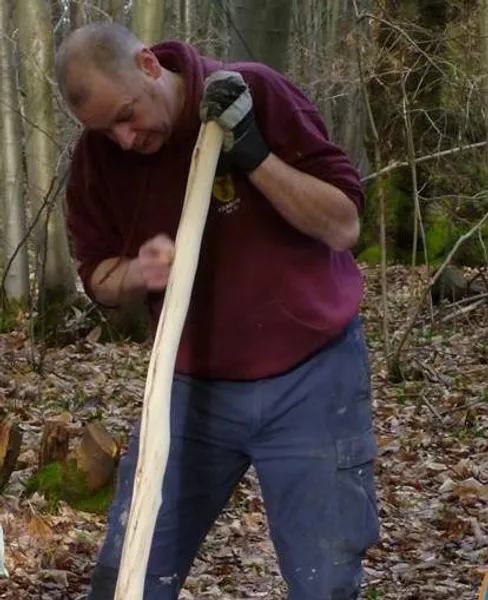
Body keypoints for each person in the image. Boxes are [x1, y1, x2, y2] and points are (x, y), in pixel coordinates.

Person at [55, 21, 380, 600]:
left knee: (325, 581)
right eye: (106, 130)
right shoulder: (98, 162)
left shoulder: (256, 93)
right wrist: (141, 272)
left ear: (150, 65)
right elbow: (99, 278)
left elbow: (344, 225)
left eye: (126, 114)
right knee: (128, 569)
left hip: (311, 379)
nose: (124, 138)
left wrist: (254, 152)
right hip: (188, 391)